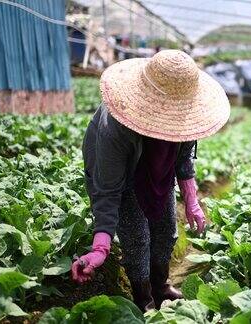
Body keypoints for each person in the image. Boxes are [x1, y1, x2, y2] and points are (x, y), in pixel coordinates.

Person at [71, 50, 230, 311]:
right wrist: (100, 249)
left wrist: (192, 200)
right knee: (137, 238)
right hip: (125, 173)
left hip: (158, 171)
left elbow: (183, 156)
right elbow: (108, 191)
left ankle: (160, 286)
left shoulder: (185, 118)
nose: (174, 124)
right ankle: (143, 299)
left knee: (167, 230)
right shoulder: (115, 128)